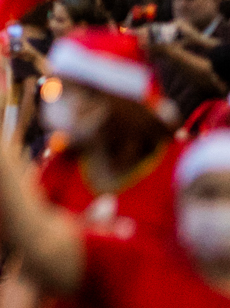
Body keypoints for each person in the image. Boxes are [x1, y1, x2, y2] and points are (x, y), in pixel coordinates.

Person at [0, 117, 230, 306]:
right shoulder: (133, 264)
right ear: (181, 202)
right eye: (208, 194)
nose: (226, 206)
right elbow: (37, 239)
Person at [32, 29, 180, 239]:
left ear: (104, 100)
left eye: (65, 91)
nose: (54, 101)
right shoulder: (60, 165)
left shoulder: (177, 171)